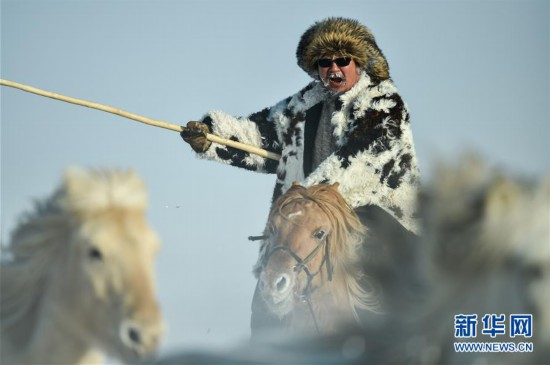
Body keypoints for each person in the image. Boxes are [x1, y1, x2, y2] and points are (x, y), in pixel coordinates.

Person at [181, 17, 420, 336]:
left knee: (399, 290)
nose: (333, 68)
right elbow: (261, 133)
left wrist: (308, 200)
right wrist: (212, 137)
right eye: (324, 62)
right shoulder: (303, 105)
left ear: (359, 63)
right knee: (271, 280)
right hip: (309, 218)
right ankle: (265, 353)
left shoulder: (383, 104)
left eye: (342, 60)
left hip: (373, 218)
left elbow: (361, 159)